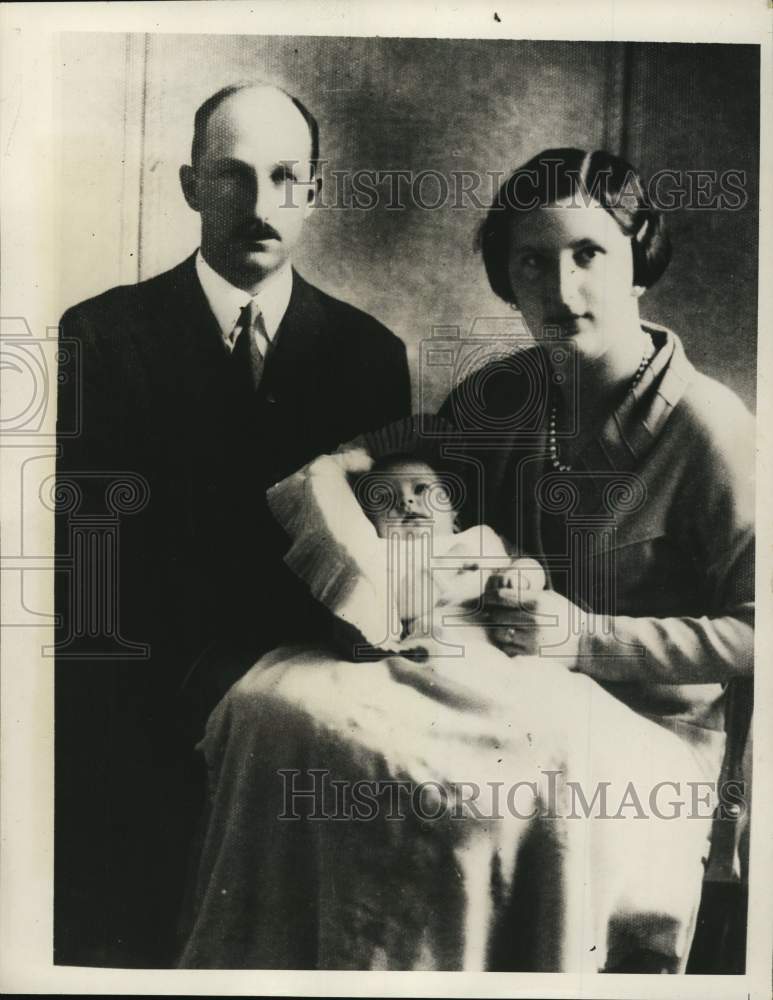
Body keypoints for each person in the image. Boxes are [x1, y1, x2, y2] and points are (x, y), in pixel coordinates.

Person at [54, 83, 411, 967]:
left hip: (302, 712)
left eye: (285, 178)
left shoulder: (369, 355)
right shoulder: (102, 336)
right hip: (137, 707)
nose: (260, 206)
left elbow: (372, 567)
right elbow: (89, 572)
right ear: (187, 185)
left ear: (315, 192)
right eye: (232, 177)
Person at [438, 147, 755, 969]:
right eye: (532, 263)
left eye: (589, 255)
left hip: (648, 741)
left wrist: (583, 638)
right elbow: (417, 490)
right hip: (510, 707)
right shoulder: (499, 397)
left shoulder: (710, 427)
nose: (560, 290)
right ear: (506, 278)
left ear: (638, 262)